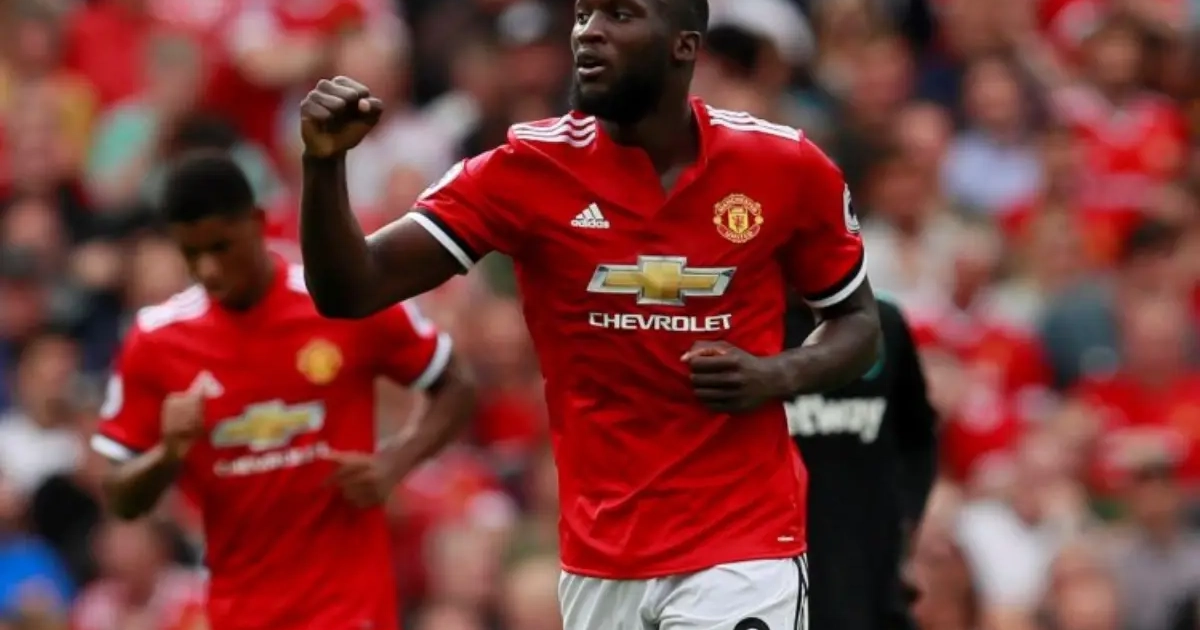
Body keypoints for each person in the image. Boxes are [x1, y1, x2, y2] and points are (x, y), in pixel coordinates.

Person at [298, 0, 882, 627]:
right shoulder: (525, 169)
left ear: (684, 45)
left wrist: (777, 375)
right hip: (601, 557)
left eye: (620, 15)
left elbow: (858, 323)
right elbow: (351, 290)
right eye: (583, 14)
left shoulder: (783, 165)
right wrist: (323, 165)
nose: (589, 33)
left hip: (742, 546)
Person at [89, 152, 476, 630]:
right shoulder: (155, 340)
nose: (208, 269)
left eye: (221, 247)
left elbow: (456, 385)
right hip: (240, 612)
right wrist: (167, 454)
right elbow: (120, 498)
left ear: (257, 223)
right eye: (191, 253)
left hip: (349, 607)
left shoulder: (336, 299)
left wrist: (395, 461)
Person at [787, 295, 937, 630]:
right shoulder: (753, 328)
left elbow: (919, 439)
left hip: (871, 567)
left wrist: (906, 525)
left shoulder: (884, 324)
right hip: (784, 562)